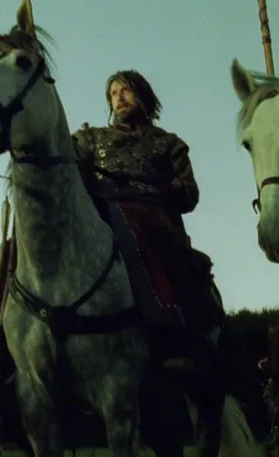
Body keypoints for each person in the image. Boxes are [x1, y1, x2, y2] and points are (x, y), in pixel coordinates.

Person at [69, 69, 225, 374]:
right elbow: (72, 175)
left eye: (125, 91)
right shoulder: (91, 138)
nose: (119, 98)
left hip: (151, 214)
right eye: (114, 94)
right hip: (99, 214)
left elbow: (190, 195)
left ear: (142, 95)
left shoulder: (169, 144)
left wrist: (175, 190)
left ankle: (175, 335)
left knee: (150, 228)